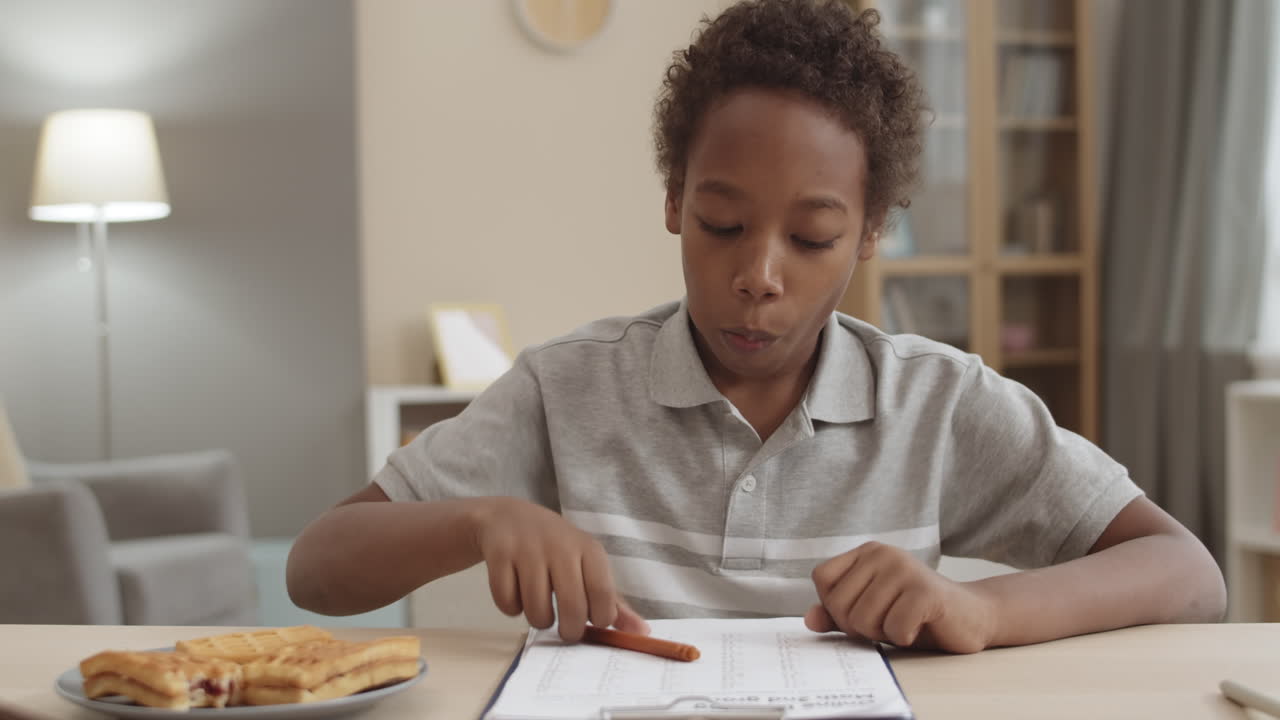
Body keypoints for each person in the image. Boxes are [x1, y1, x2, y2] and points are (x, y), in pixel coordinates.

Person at [288, 0, 1225, 653]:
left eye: (813, 236)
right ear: (673, 201)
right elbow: (315, 570)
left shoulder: (937, 403)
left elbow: (1187, 576)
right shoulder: (569, 387)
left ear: (868, 234)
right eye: (722, 225)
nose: (757, 277)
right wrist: (481, 519)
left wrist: (975, 609)